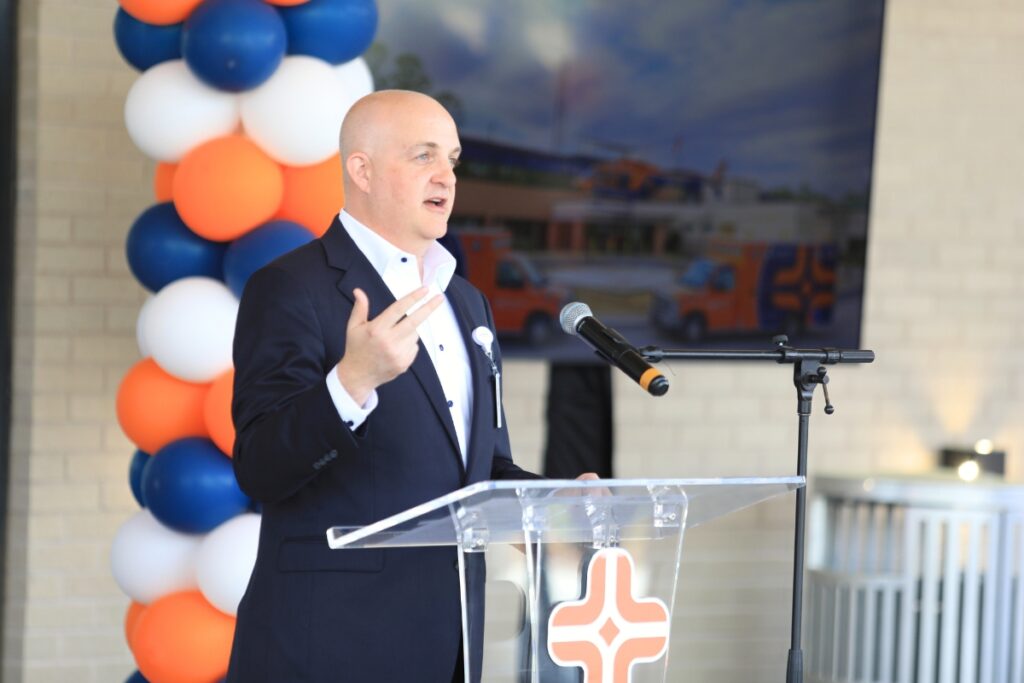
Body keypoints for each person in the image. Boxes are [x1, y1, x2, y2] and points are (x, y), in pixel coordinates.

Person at [226, 90, 592, 683]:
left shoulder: (467, 301)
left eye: (452, 159)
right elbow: (260, 466)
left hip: (452, 646)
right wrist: (352, 382)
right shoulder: (290, 287)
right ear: (361, 170)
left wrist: (549, 500)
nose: (446, 176)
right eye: (423, 156)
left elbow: (483, 467)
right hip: (329, 648)